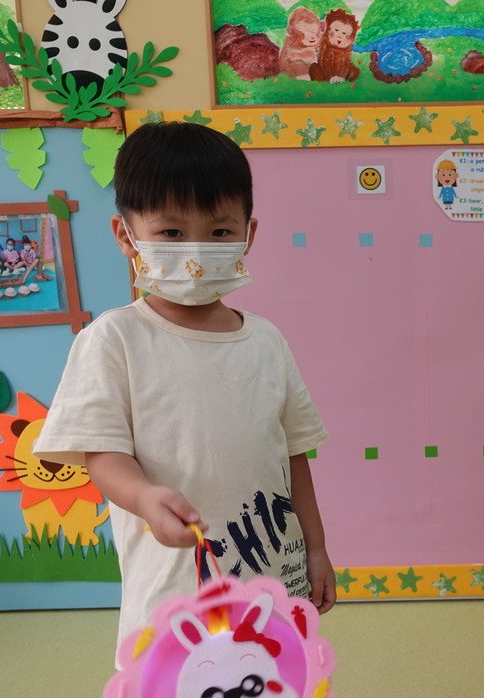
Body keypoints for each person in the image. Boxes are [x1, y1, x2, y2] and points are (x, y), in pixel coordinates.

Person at [34, 122, 336, 665]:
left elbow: (294, 456)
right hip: (173, 597)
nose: (196, 249)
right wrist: (144, 497)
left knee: (274, 678)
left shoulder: (265, 340)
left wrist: (316, 548)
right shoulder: (114, 339)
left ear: (248, 234)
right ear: (126, 235)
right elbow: (103, 454)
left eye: (219, 232)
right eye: (171, 232)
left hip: (272, 583)